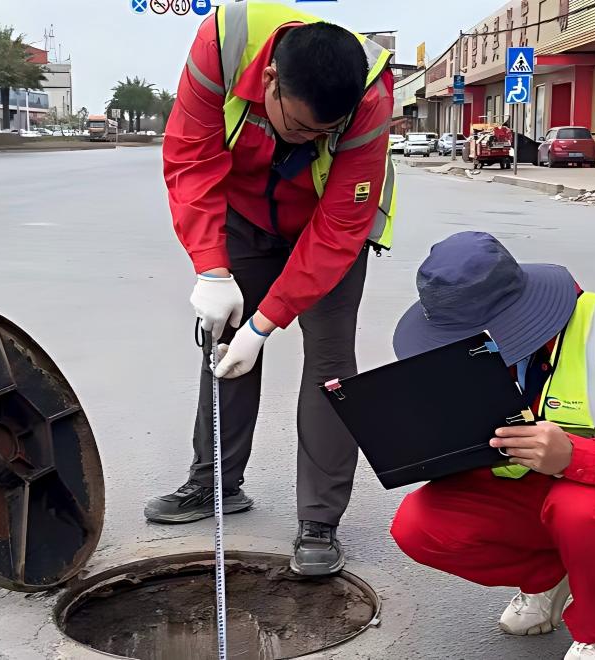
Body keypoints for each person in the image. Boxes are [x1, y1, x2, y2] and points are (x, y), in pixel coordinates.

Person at [146, 2, 396, 577]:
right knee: (224, 340)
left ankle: (319, 520)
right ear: (271, 81)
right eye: (301, 126)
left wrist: (268, 322)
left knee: (331, 361)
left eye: (323, 132)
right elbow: (190, 157)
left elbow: (337, 228)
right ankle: (215, 484)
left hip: (330, 226)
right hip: (245, 210)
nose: (311, 139)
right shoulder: (224, 43)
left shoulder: (371, 98)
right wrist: (212, 270)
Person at [389, 232, 595, 660]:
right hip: (526, 492)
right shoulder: (463, 352)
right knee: (418, 525)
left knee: (580, 510)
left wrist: (574, 454)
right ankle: (550, 579)